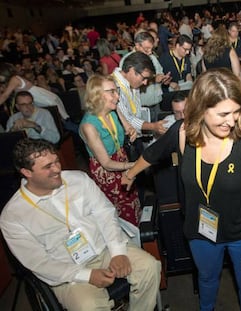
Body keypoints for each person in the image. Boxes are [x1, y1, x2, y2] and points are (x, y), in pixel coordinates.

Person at [122, 68, 241, 311]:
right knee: (207, 280)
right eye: (223, 114)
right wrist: (130, 173)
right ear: (202, 109)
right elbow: (152, 154)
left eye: (236, 112)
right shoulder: (182, 132)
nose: (232, 121)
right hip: (201, 231)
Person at [0, 138, 161, 311]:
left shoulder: (78, 180)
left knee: (149, 267)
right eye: (47, 167)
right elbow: (39, 263)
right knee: (88, 306)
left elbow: (106, 214)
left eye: (56, 162)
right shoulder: (13, 216)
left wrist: (117, 252)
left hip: (104, 248)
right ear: (26, 172)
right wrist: (86, 275)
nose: (57, 169)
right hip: (66, 272)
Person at [79, 75, 141, 226]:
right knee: (120, 215)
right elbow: (106, 163)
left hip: (122, 161)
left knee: (133, 204)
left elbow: (127, 126)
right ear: (96, 95)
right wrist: (133, 165)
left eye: (116, 91)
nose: (117, 96)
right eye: (112, 92)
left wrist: (130, 130)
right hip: (108, 173)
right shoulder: (89, 126)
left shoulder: (113, 109)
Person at [112, 51, 167, 139]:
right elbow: (127, 119)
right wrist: (153, 126)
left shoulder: (133, 84)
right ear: (131, 69)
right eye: (144, 78)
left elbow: (135, 110)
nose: (145, 83)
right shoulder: (114, 87)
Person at [120, 31, 171, 122]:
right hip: (141, 106)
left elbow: (159, 73)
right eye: (146, 49)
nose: (149, 52)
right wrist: (153, 79)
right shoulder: (128, 60)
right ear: (137, 45)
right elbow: (128, 85)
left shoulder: (152, 57)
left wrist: (164, 79)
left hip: (156, 103)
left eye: (151, 49)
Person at [0, 63, 71, 123]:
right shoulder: (14, 79)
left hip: (42, 99)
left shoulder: (14, 79)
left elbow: (5, 95)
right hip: (40, 99)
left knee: (63, 121)